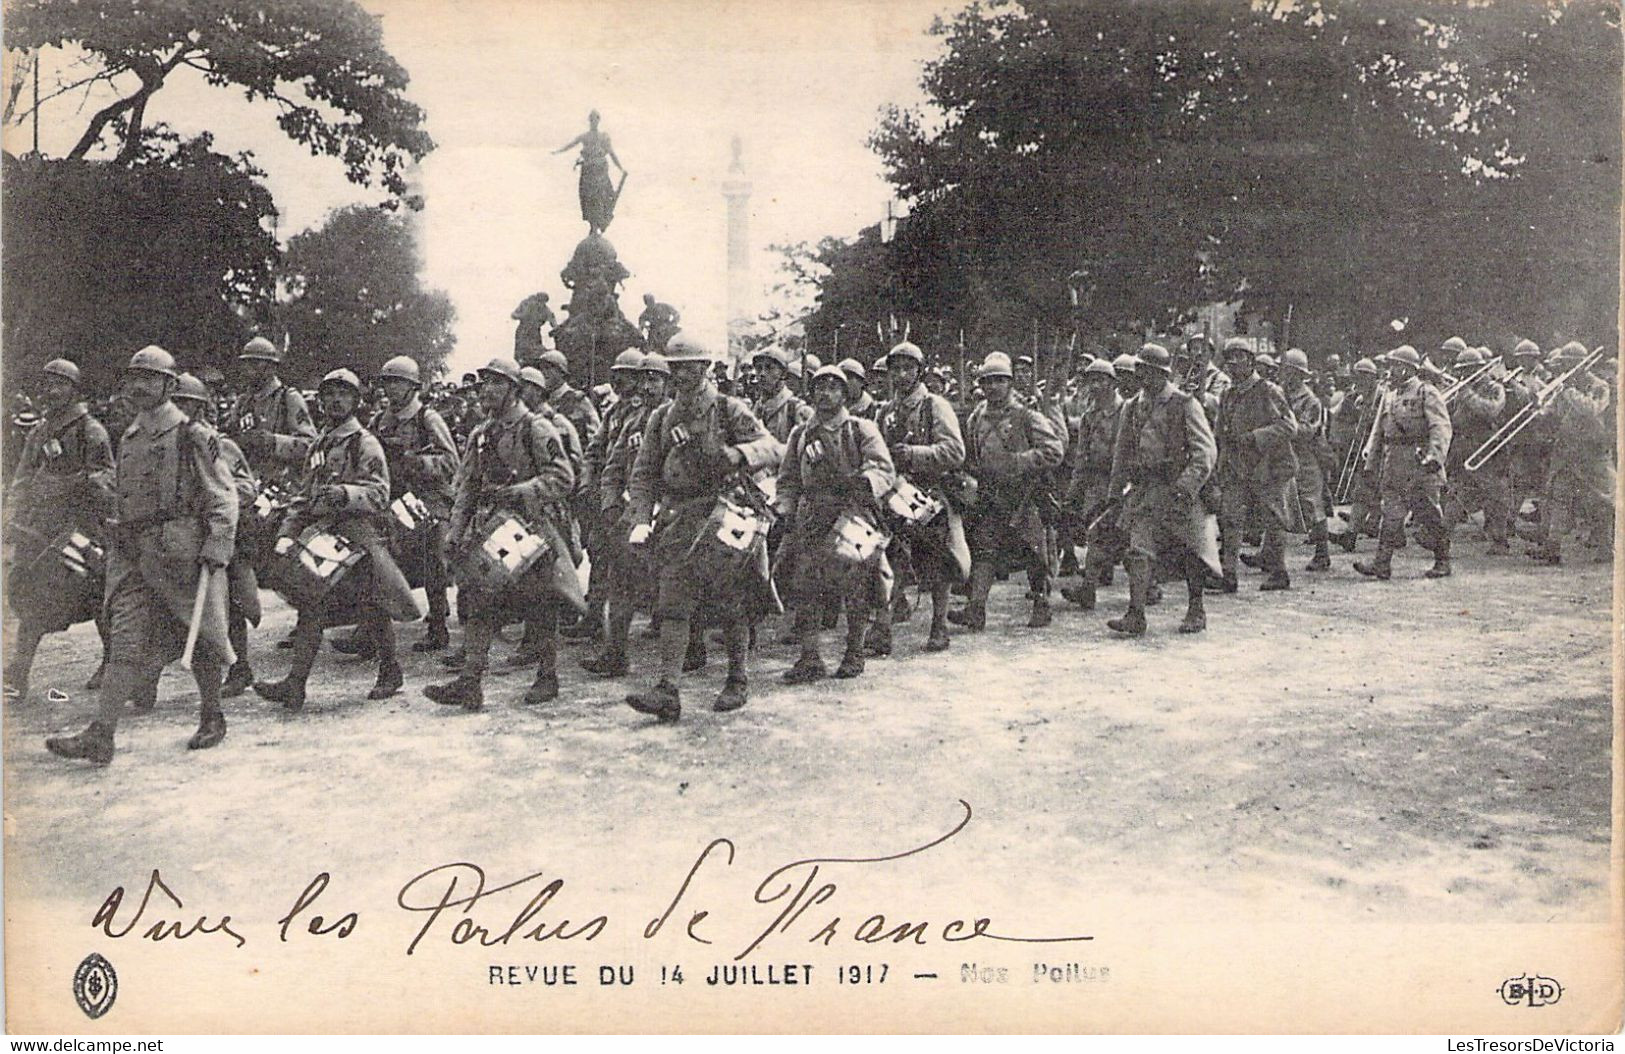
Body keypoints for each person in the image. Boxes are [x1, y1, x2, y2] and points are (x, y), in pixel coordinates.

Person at [45, 346, 237, 765]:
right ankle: (102, 735)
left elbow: (223, 498)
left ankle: (212, 715)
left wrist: (216, 547)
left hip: (181, 554)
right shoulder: (130, 435)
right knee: (125, 642)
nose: (138, 385)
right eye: (134, 377)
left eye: (149, 378)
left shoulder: (193, 435)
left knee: (201, 635)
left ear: (170, 385)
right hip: (134, 554)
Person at [622, 332, 781, 721]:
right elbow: (643, 473)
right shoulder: (661, 416)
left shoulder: (728, 409)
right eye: (674, 368)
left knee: (732, 602)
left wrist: (737, 453)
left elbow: (774, 446)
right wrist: (641, 518)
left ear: (705, 368)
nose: (679, 375)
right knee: (672, 603)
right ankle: (668, 690)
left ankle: (737, 678)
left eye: (688, 367)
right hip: (679, 519)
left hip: (725, 516)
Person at [254, 369, 419, 710]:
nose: (335, 401)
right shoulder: (320, 443)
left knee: (373, 605)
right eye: (329, 394)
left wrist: (345, 493)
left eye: (343, 394)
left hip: (360, 537)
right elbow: (303, 495)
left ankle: (389, 670)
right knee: (314, 606)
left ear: (356, 402)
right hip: (325, 537)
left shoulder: (364, 442)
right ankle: (296, 685)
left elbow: (379, 494)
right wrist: (287, 532)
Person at [426, 358, 576, 710]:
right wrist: (455, 532)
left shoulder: (536, 428)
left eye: (495, 384)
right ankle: (470, 682)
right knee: (480, 601)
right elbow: (467, 487)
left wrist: (521, 491)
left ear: (513, 389)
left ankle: (547, 675)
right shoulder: (481, 435)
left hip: (533, 529)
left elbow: (563, 477)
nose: (486, 391)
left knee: (540, 604)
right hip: (493, 527)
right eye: (484, 384)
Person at [776, 365, 897, 682]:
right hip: (813, 514)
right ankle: (810, 657)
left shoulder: (861, 428)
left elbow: (883, 468)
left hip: (852, 512)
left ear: (845, 393)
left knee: (855, 588)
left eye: (833, 387)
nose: (825, 393)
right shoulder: (800, 434)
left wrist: (865, 482)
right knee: (806, 587)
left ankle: (854, 651)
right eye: (819, 387)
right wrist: (786, 508)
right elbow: (788, 478)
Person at [3, 358, 114, 703]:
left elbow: (106, 478)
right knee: (32, 590)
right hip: (41, 527)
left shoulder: (90, 430)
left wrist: (70, 484)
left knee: (96, 597)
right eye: (48, 384)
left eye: (60, 384)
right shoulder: (40, 431)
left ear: (75, 390)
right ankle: (20, 669)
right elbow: (22, 476)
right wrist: (13, 513)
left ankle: (113, 660)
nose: (51, 391)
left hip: (79, 526)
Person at [1104, 344, 1218, 637]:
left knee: (1191, 552)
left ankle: (1196, 609)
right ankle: (1136, 613)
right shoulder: (1132, 407)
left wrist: (1186, 486)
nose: (1144, 377)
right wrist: (1115, 494)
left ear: (1163, 373)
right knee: (1137, 551)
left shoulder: (1185, 404)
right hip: (1146, 490)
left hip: (1181, 490)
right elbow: (1121, 454)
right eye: (1140, 370)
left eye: (1150, 371)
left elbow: (1205, 452)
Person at [951, 351, 1065, 630]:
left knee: (1032, 551)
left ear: (1010, 383)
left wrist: (1020, 461)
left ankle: (1041, 603)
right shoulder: (977, 416)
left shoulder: (1028, 417)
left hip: (1024, 494)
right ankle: (976, 609)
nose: (993, 387)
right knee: (985, 551)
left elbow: (1055, 451)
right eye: (988, 381)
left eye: (999, 381)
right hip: (991, 494)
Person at [870, 340, 966, 654]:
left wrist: (914, 453)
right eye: (895, 368)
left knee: (936, 561)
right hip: (893, 493)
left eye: (908, 368)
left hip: (930, 493)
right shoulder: (885, 410)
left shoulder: (934, 406)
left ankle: (939, 625)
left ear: (919, 371)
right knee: (888, 560)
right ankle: (882, 627)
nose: (900, 375)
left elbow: (955, 451)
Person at [174, 372, 262, 698]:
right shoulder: (166, 445)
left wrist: (206, 500)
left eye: (187, 404)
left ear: (200, 409)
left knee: (231, 605)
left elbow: (245, 488)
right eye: (175, 403)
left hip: (221, 534)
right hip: (182, 535)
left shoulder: (218, 443)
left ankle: (240, 668)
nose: (179, 410)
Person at [368, 356, 460, 651]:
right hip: (394, 496)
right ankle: (369, 630)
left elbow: (450, 461)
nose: (390, 389)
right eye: (387, 383)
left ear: (412, 387)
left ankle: (438, 626)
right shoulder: (379, 420)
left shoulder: (427, 418)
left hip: (429, 497)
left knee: (433, 556)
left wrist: (415, 462)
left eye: (398, 383)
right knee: (375, 554)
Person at [581, 351, 663, 677]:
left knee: (681, 582)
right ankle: (616, 653)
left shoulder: (676, 415)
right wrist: (609, 503)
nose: (646, 386)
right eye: (642, 378)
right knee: (621, 580)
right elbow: (610, 460)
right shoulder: (629, 416)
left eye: (653, 378)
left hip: (671, 508)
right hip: (634, 510)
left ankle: (695, 646)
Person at [1354, 345, 1453, 580]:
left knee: (1429, 515)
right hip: (1393, 464)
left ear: (1408, 368)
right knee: (1391, 515)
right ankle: (1381, 564)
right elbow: (1380, 431)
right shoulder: (1391, 395)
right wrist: (1371, 461)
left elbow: (1440, 427)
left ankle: (1442, 560)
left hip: (1419, 465)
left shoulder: (1426, 392)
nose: (1391, 370)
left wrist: (1435, 457)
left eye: (1396, 365)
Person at [1211, 338, 1299, 593]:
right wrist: (1221, 461)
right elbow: (1221, 431)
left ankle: (1279, 571)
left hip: (1269, 464)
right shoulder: (1227, 394)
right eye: (1229, 358)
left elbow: (1288, 427)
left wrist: (1255, 437)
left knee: (1274, 518)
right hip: (1237, 465)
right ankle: (1228, 575)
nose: (1233, 363)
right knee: (1230, 518)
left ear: (1250, 361)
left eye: (1239, 357)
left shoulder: (1268, 390)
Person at [1528, 341, 1613, 565]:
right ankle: (1552, 548)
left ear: (1581, 365)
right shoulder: (1564, 387)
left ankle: (1606, 547)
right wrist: (1539, 412)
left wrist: (1569, 391)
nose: (1565, 369)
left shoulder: (1599, 385)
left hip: (1592, 452)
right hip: (1566, 452)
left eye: (1569, 364)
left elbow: (1591, 409)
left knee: (1602, 500)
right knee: (1558, 498)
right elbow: (1554, 413)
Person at [1058, 357, 1124, 609]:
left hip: (1121, 481)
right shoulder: (1089, 416)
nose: (1095, 386)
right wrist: (1075, 491)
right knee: (1096, 533)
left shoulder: (1126, 411)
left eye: (1100, 380)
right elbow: (1082, 456)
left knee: (1126, 537)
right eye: (1091, 380)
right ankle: (1089, 589)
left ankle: (1147, 587)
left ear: (1112, 384)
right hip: (1097, 481)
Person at [1443, 347, 1511, 554]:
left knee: (1494, 495)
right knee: (1456, 492)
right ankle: (1441, 535)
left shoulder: (1494, 387)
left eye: (1467, 370)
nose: (1461, 375)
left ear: (1478, 368)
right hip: (1463, 447)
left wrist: (1467, 395)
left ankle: (1500, 541)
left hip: (1485, 447)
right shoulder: (1463, 389)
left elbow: (1490, 411)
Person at [231, 336, 318, 484]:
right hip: (247, 481)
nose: (248, 370)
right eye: (246, 364)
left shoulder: (288, 398)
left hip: (281, 484)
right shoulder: (243, 402)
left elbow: (310, 446)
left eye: (255, 364)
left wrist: (272, 442)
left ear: (271, 367)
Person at [1278, 349, 1333, 571]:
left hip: (1307, 456)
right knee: (1277, 502)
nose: (1286, 376)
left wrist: (1283, 424)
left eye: (1290, 372)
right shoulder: (1280, 394)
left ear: (1299, 374)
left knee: (1312, 504)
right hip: (1283, 455)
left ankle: (1322, 554)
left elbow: (1306, 431)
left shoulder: (1310, 400)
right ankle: (1268, 553)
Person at [553, 110, 625, 233]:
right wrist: (558, 151)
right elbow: (571, 144)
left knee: (603, 195)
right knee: (587, 197)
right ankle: (593, 226)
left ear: (598, 120)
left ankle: (599, 222)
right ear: (589, 121)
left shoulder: (603, 137)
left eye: (595, 119)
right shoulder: (585, 137)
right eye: (591, 119)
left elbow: (612, 153)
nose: (593, 122)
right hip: (588, 171)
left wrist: (620, 168)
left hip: (600, 171)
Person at [750, 347, 813, 445]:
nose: (762, 374)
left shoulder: (796, 409)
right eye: (759, 368)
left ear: (783, 373)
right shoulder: (756, 408)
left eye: (769, 368)